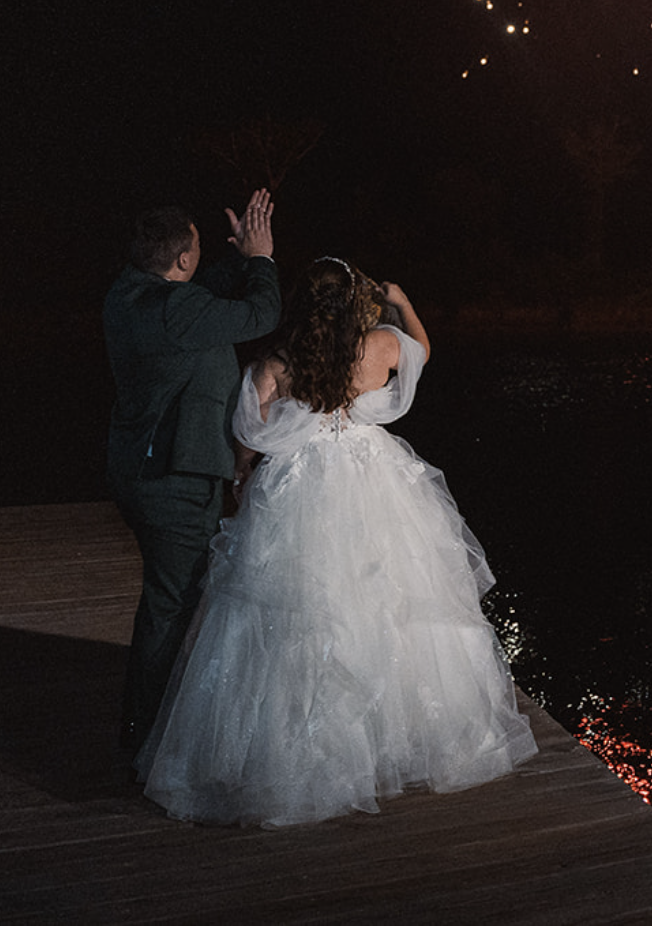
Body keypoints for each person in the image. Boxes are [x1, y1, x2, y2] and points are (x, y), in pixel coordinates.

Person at [136, 258, 537, 825]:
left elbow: (250, 436)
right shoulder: (382, 346)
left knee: (301, 609)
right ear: (359, 307)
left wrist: (242, 477)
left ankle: (298, 754)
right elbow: (421, 348)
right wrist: (401, 303)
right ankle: (394, 738)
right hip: (373, 476)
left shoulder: (274, 363)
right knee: (388, 596)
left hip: (301, 487)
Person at [105, 190, 280, 758]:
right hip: (174, 482)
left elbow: (201, 291)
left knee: (170, 600)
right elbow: (261, 313)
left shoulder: (128, 294)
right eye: (197, 253)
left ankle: (155, 723)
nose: (201, 262)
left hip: (140, 469)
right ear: (181, 261)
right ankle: (144, 741)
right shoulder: (177, 311)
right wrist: (261, 260)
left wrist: (234, 258)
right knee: (170, 603)